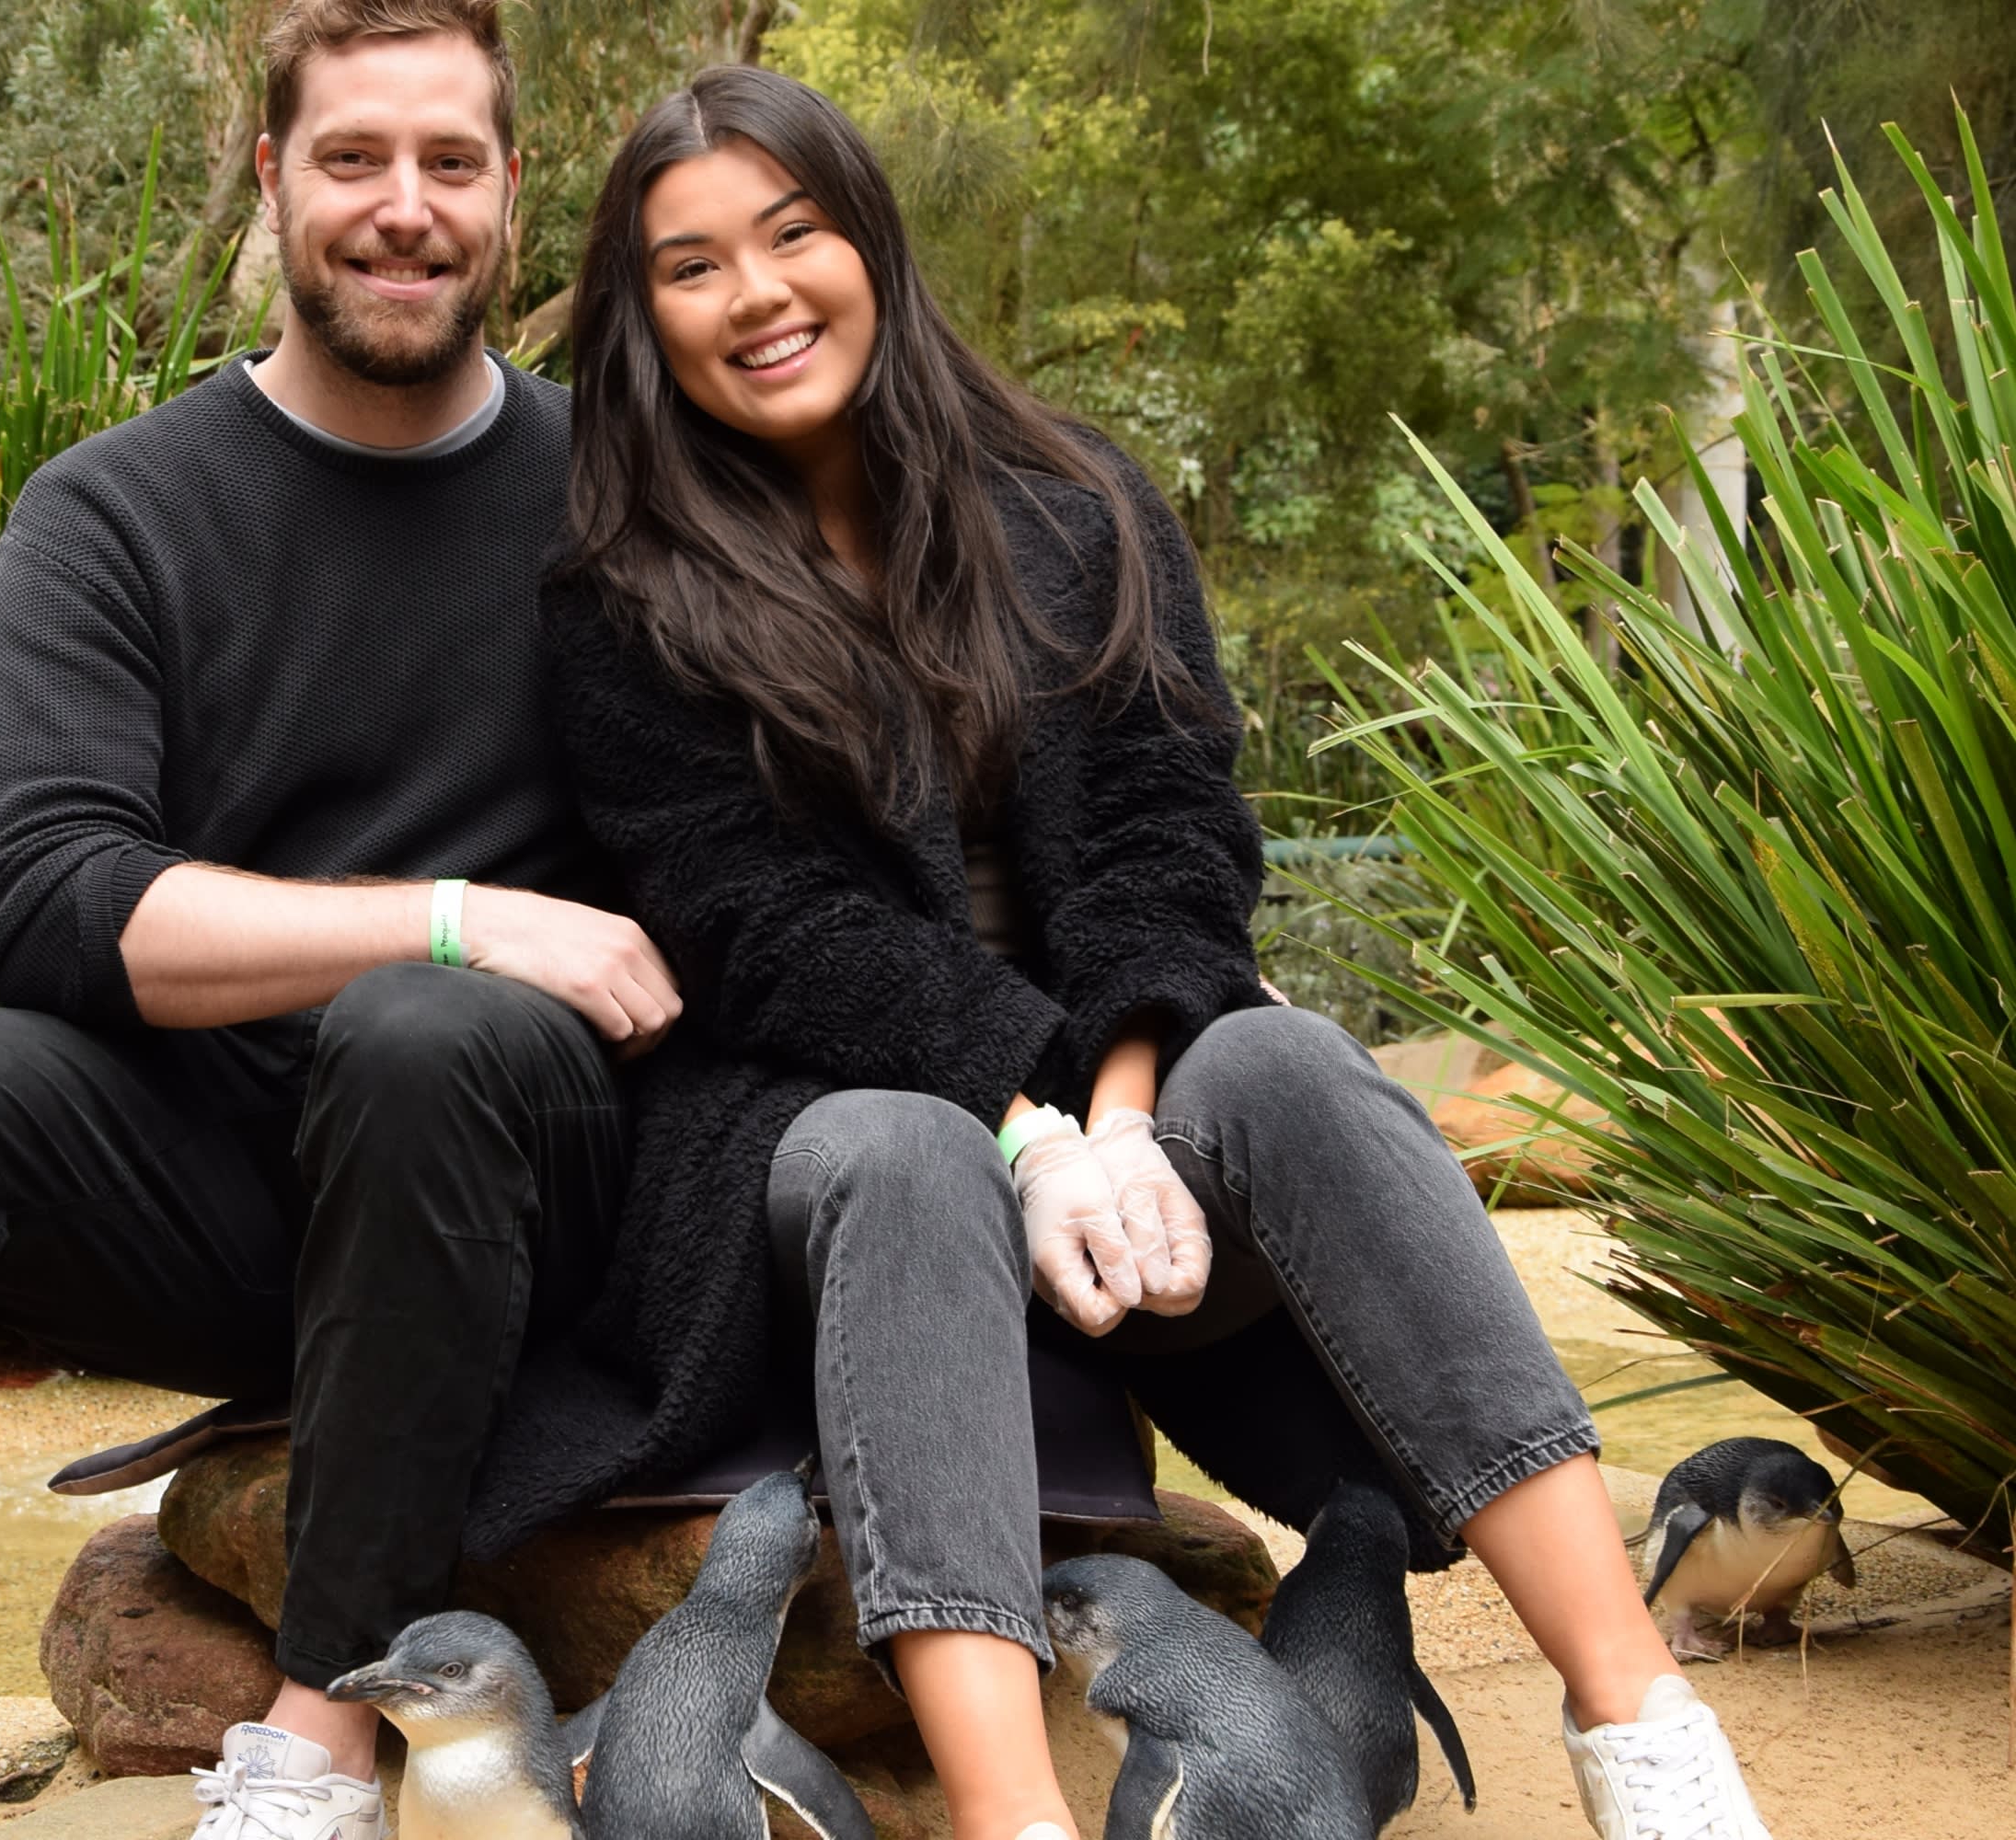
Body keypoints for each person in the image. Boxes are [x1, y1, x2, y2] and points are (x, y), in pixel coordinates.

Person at [537, 64, 1779, 1840]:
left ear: (869, 241)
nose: (757, 294)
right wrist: (1024, 1132)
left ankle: (1640, 1722)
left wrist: (1116, 1117)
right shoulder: (621, 587)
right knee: (905, 1152)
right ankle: (1013, 1814)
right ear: (644, 315)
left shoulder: (1073, 499)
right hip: (824, 1147)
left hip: (1120, 1136)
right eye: (692, 266)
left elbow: (1170, 831)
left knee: (1281, 1058)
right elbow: (761, 933)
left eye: (792, 234)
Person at [0, 5, 684, 1837]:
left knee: (420, 1033)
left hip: (528, 1189)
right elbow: (51, 901)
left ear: (513, 190)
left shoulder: (628, 496)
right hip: (221, 1194)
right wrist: (453, 914)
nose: (406, 205)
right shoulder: (112, 512)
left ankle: (317, 1749)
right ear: (273, 179)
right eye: (353, 158)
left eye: (451, 161)